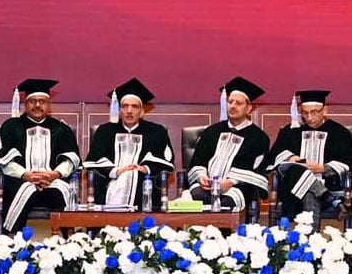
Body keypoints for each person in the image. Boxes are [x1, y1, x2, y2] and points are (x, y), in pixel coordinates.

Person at [0, 79, 81, 233]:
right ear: (25, 104)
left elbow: (72, 158)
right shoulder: (11, 127)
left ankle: (69, 244)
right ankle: (13, 241)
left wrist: (54, 174)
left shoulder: (61, 129)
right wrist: (26, 175)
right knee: (22, 191)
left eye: (42, 101)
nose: (38, 105)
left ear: (49, 105)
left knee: (63, 193)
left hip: (53, 181)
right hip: (22, 181)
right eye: (32, 101)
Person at [267, 90, 352, 229]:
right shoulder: (291, 131)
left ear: (324, 110)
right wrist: (291, 157)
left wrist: (324, 168)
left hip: (329, 184)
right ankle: (331, 201)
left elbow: (347, 161)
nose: (309, 117)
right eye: (305, 113)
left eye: (314, 112)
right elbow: (273, 157)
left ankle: (310, 239)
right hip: (292, 190)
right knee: (296, 169)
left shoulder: (339, 132)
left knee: (310, 192)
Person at [85, 78, 175, 208]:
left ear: (142, 111)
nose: (129, 111)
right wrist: (117, 171)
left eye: (134, 106)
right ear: (119, 110)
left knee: (138, 179)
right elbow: (94, 159)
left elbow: (166, 160)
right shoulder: (105, 131)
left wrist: (144, 168)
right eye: (125, 106)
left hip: (143, 181)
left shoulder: (156, 132)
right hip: (110, 180)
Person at [187, 76, 270, 213]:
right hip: (207, 187)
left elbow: (257, 169)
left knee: (226, 202)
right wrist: (202, 177)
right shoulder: (212, 132)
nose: (233, 106)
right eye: (230, 102)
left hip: (236, 187)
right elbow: (198, 160)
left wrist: (230, 182)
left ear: (249, 108)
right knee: (196, 196)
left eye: (238, 103)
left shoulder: (259, 137)